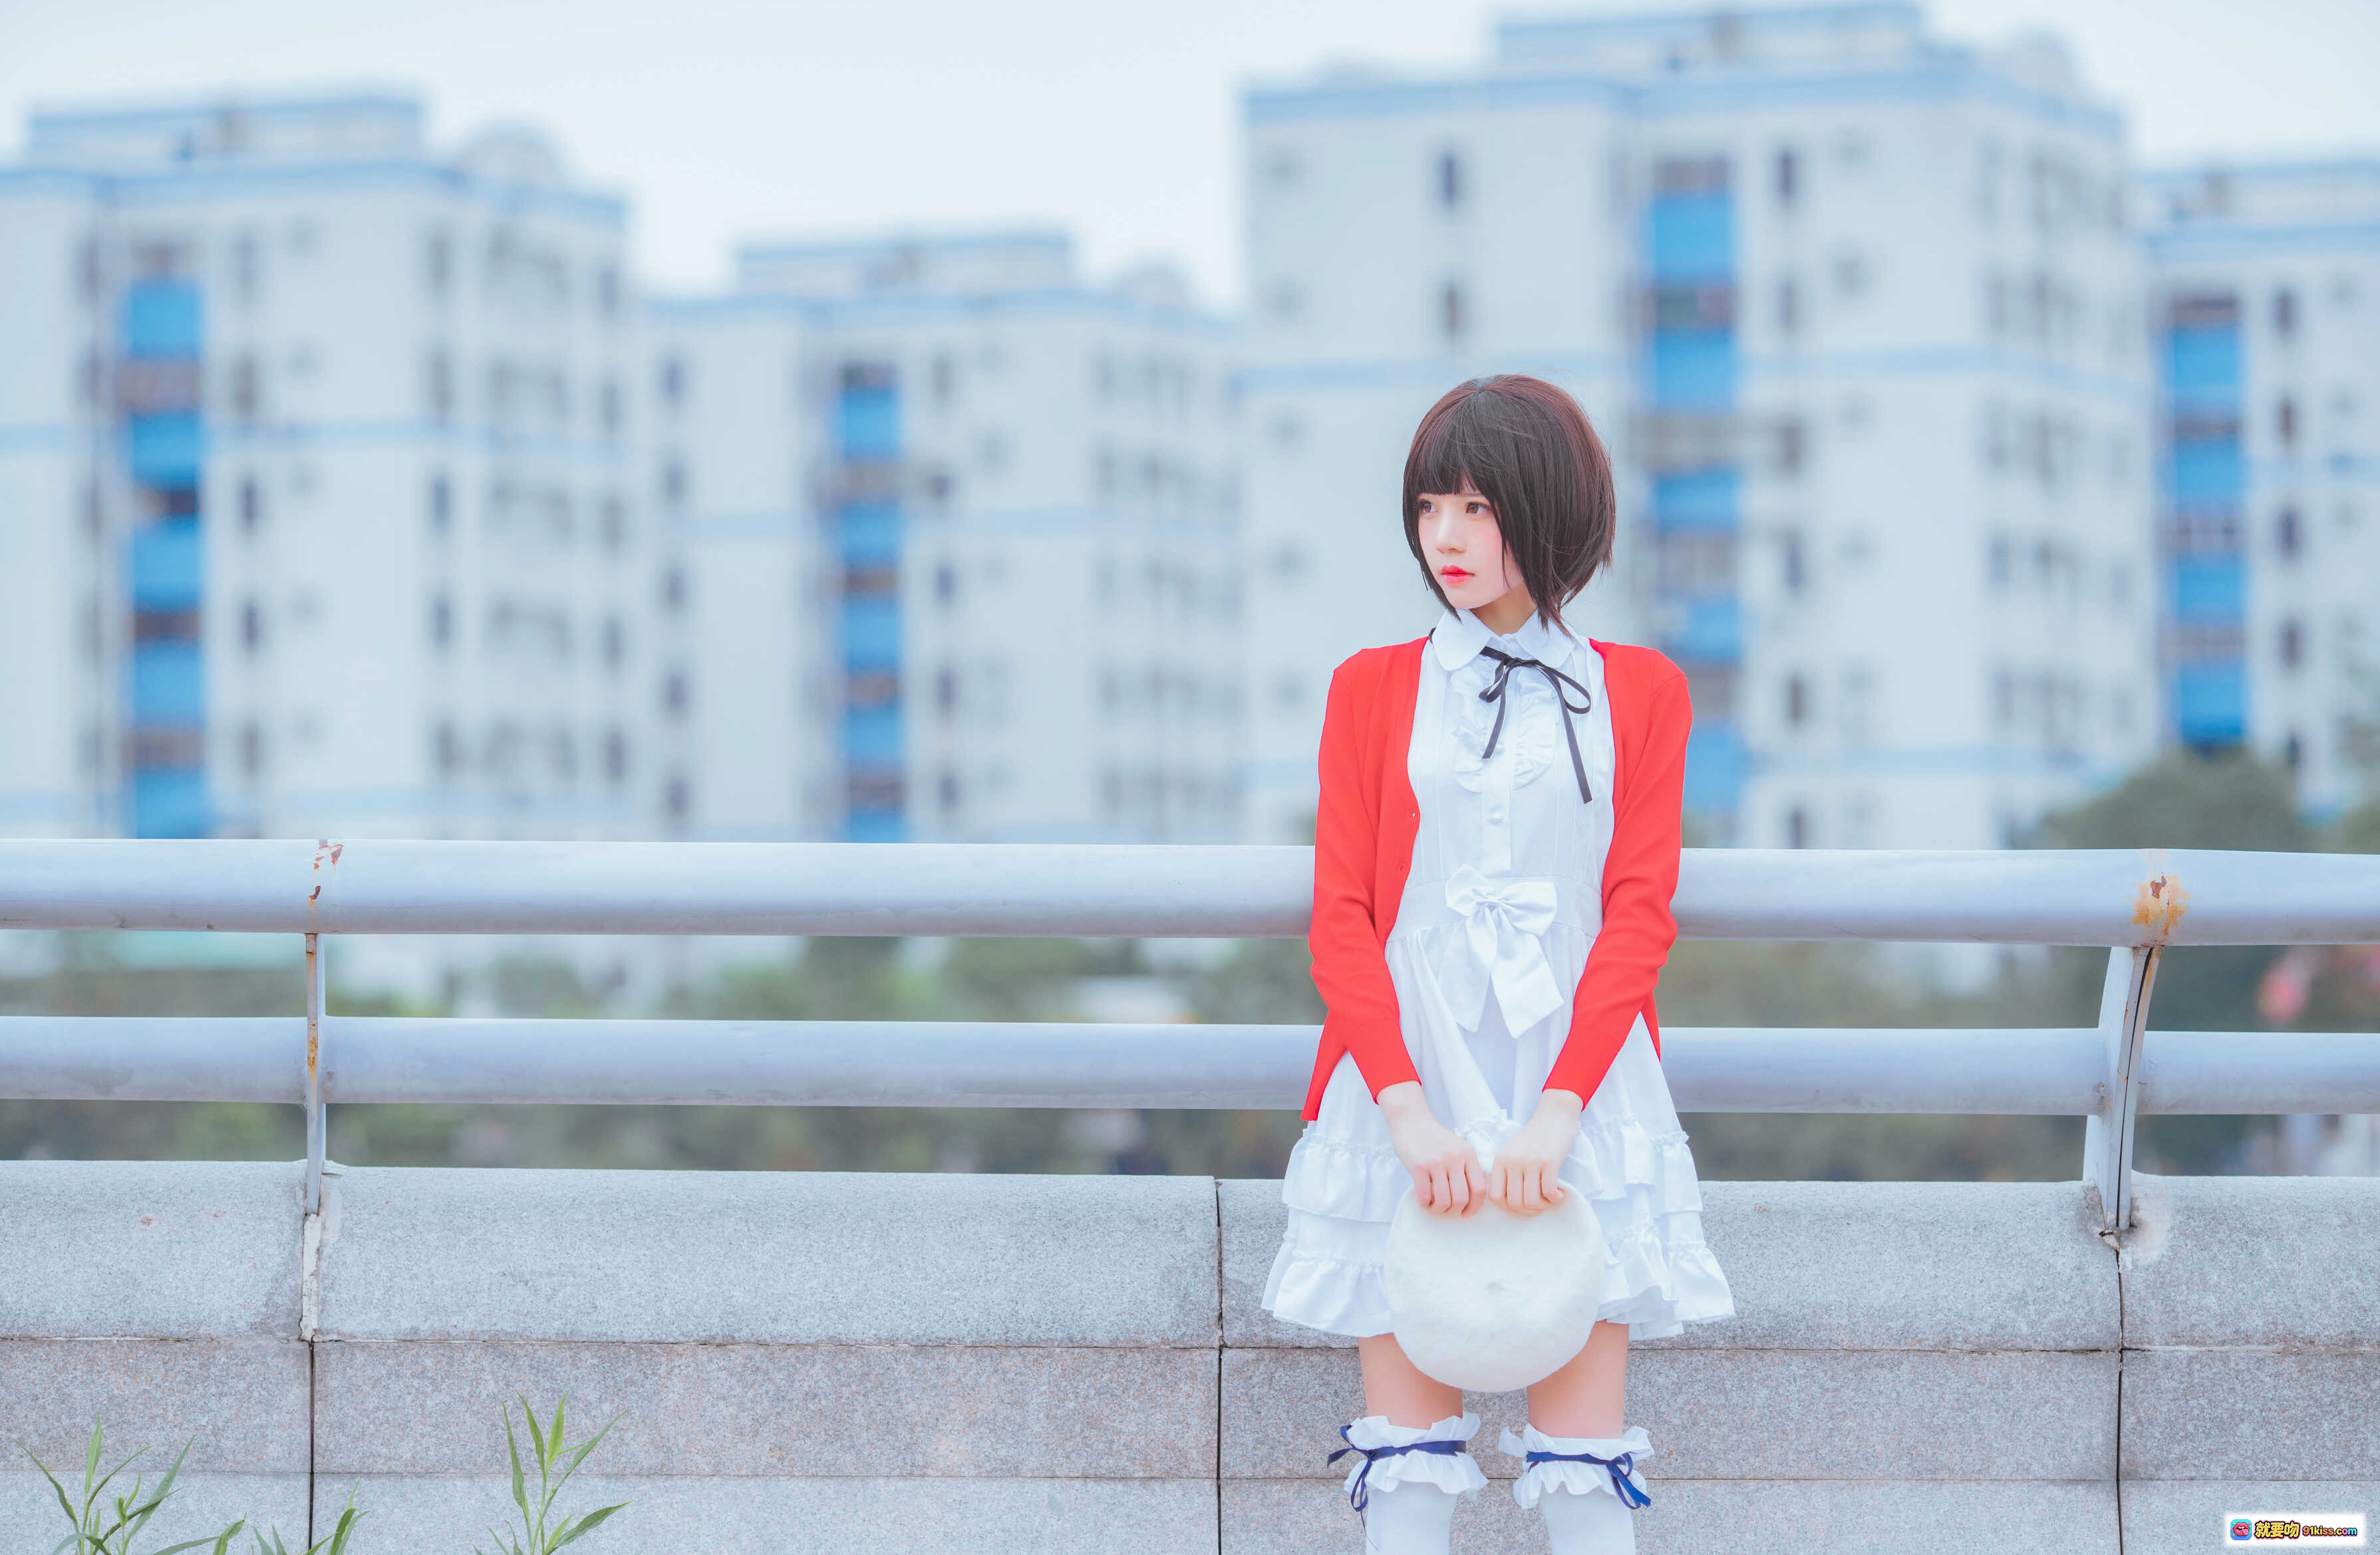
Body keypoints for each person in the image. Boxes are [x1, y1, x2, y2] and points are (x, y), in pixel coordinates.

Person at [1260, 375, 1737, 1554]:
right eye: (1431, 506)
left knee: (1583, 1480)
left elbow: (1636, 913)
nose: (1447, 537)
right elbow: (1343, 919)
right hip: (1404, 1081)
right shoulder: (1371, 686)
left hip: (1576, 1084)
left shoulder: (1641, 690)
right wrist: (1407, 1112)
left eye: (1477, 506)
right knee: (1409, 1478)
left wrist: (1558, 1114)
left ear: (1548, 512)